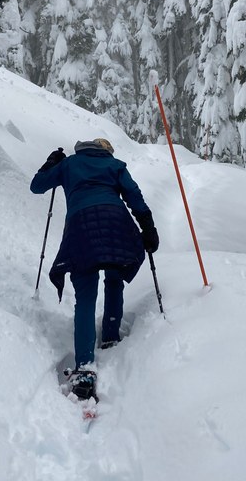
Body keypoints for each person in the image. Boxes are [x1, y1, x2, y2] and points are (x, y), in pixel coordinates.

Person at [30, 138, 159, 399]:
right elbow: (134, 196)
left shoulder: (69, 164)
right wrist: (148, 227)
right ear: (106, 151)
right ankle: (110, 334)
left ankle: (85, 366)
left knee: (85, 297)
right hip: (117, 224)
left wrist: (50, 163)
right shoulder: (115, 165)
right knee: (114, 276)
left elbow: (37, 186)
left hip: (81, 229)